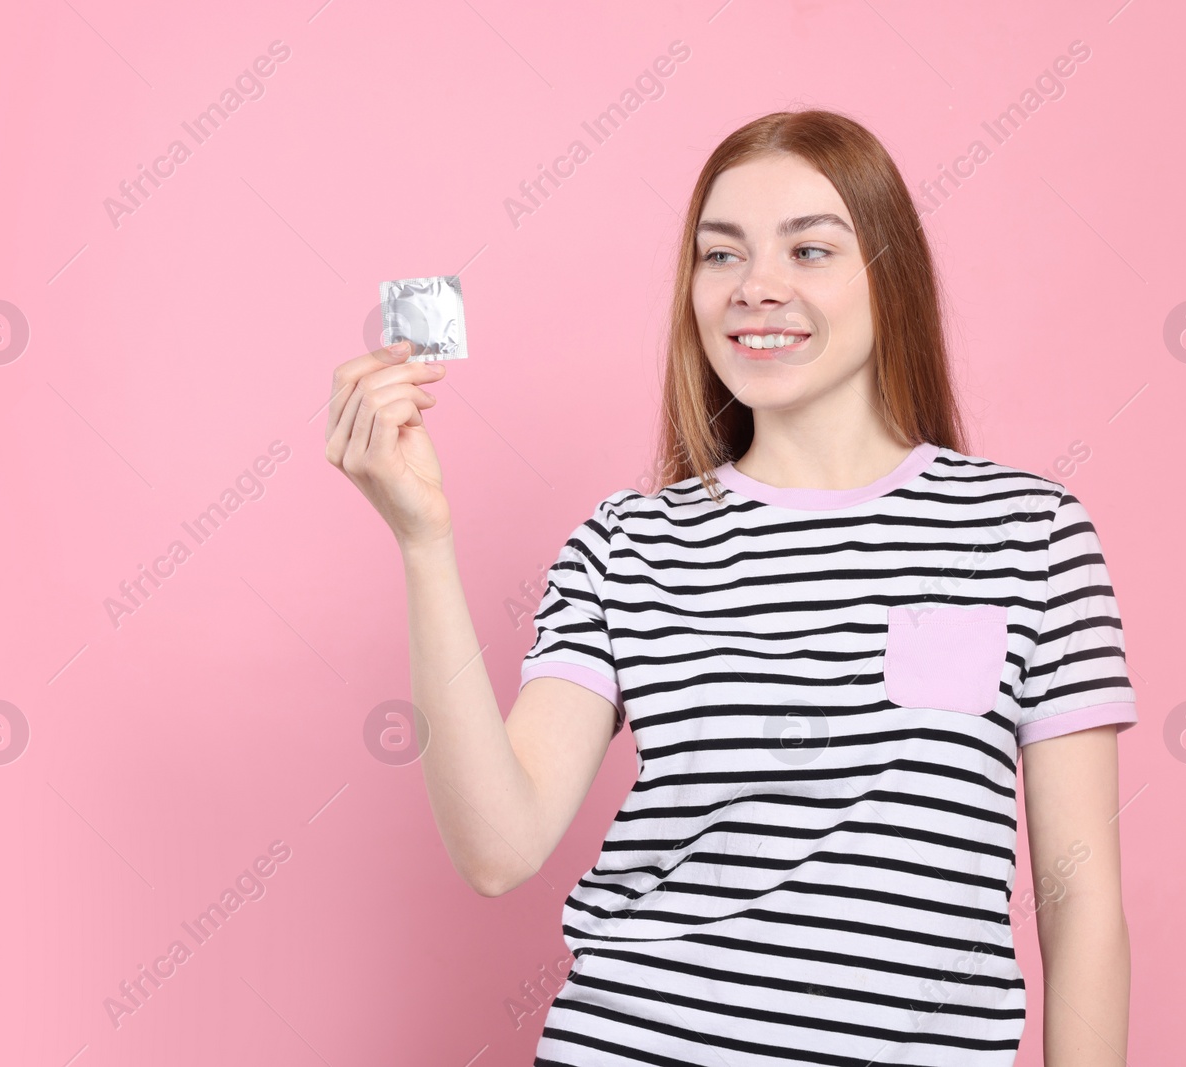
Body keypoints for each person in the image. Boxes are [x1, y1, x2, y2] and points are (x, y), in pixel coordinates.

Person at [327, 108, 1134, 1067]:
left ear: (892, 275)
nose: (758, 287)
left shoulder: (1029, 532)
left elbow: (1080, 900)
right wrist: (425, 543)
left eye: (811, 249)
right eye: (721, 256)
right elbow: (499, 847)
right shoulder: (626, 546)